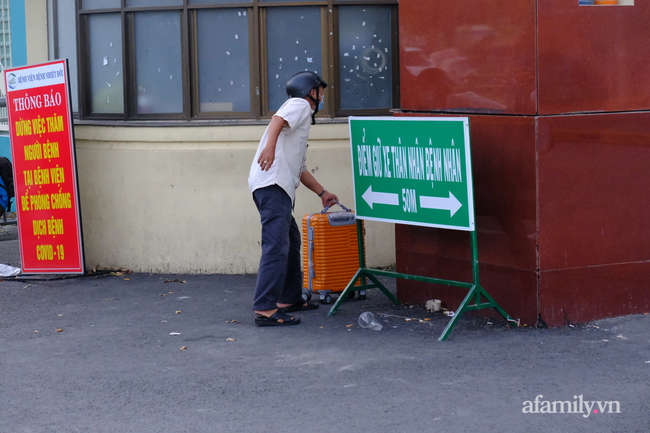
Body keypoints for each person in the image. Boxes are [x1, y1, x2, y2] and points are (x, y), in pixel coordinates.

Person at [248, 71, 338, 327]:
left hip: (276, 186)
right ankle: (265, 308)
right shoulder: (299, 105)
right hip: (272, 184)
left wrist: (323, 193)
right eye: (321, 91)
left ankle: (288, 299)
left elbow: (300, 169)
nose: (322, 97)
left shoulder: (302, 121)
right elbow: (278, 119)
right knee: (276, 246)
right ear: (312, 91)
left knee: (291, 240)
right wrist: (268, 147)